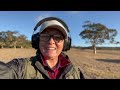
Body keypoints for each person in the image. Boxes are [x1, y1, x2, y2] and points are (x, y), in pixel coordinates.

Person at [3, 17, 85, 79]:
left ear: (65, 43)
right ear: (37, 41)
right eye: (45, 36)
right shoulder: (20, 67)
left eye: (58, 37)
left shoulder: (76, 72)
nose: (51, 42)